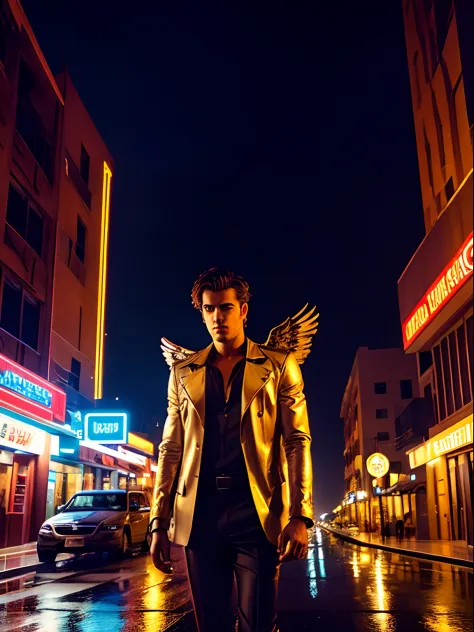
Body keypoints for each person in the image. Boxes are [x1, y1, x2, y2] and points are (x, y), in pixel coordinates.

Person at [149, 267, 315, 632]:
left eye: (225, 308)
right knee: (211, 626)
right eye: (209, 309)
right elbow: (170, 448)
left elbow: (297, 440)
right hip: (200, 515)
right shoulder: (182, 373)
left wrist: (300, 514)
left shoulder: (278, 365)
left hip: (256, 514)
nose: (217, 317)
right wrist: (158, 522)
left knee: (258, 623)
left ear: (243, 311)